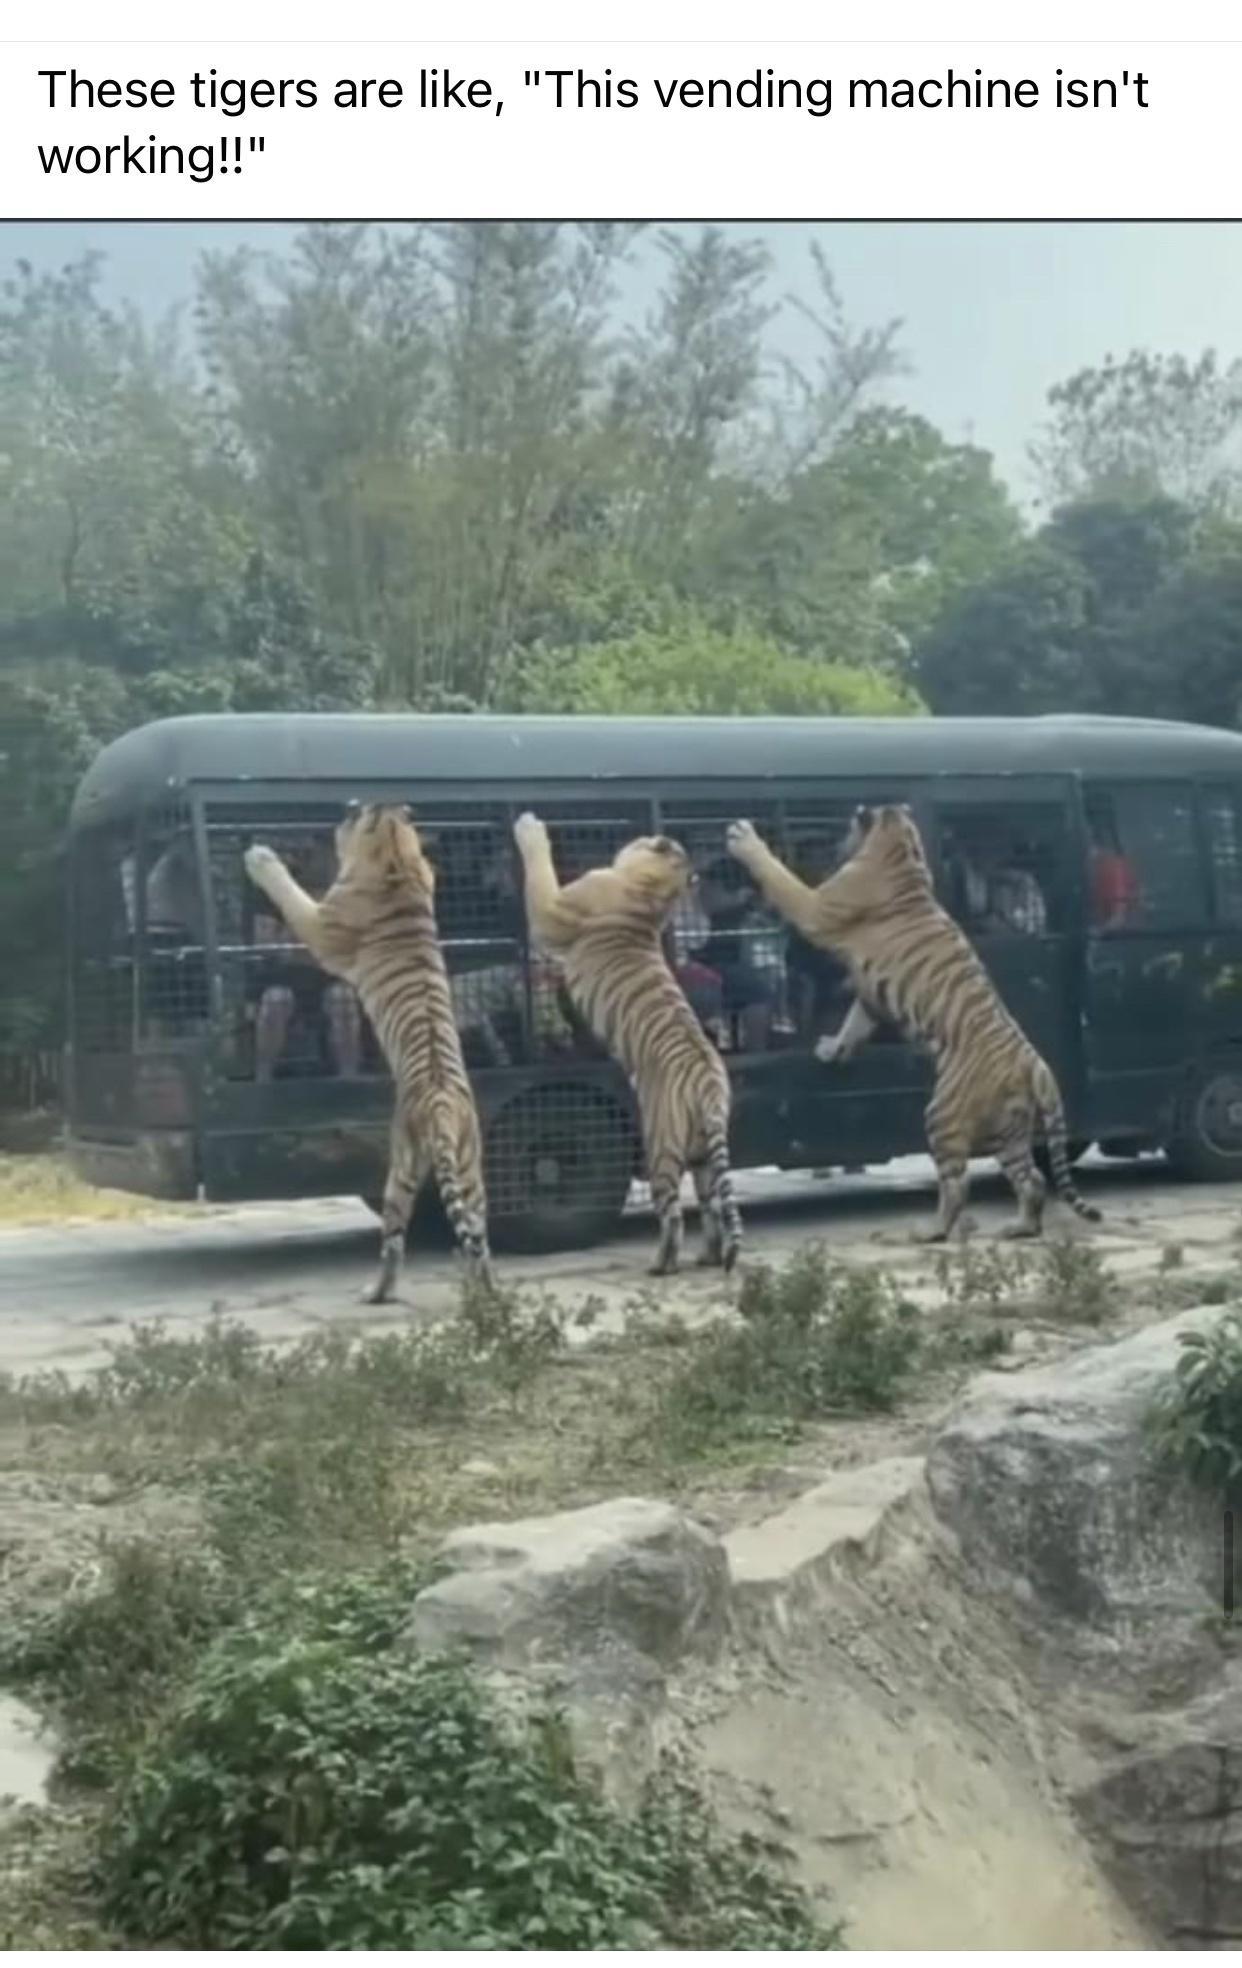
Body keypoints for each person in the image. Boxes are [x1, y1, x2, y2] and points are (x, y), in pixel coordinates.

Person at [249, 838, 363, 1081]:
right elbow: (265, 944)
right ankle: (263, 1077)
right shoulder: (274, 892)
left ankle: (349, 1075)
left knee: (343, 1000)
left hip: (329, 974)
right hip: (286, 975)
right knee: (275, 1001)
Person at [952, 824, 1047, 936]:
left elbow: (1034, 930)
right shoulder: (956, 881)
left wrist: (1004, 930)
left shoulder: (1022, 882)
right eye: (976, 849)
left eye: (993, 847)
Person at [1086, 803, 1141, 931]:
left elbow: (1118, 917)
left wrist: (1095, 934)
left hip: (1123, 941)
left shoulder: (1111, 864)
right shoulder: (1087, 863)